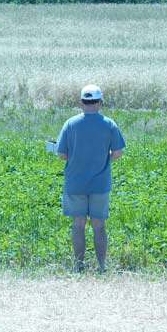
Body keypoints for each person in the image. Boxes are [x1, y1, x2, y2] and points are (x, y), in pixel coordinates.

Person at [56, 84, 126, 272]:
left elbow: (62, 154)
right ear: (100, 102)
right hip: (100, 183)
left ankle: (79, 265)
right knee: (98, 225)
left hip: (75, 183)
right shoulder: (109, 124)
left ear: (81, 102)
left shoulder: (70, 124)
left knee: (78, 225)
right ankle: (102, 266)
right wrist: (105, 157)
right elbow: (117, 153)